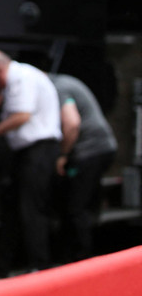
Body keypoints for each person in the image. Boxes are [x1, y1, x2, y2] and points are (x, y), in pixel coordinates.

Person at [0, 49, 61, 275]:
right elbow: (7, 94)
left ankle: (40, 266)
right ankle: (2, 265)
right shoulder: (20, 76)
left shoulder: (22, 78)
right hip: (28, 151)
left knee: (31, 208)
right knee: (13, 208)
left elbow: (22, 115)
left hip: (39, 150)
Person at [49, 73, 117, 262]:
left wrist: (63, 155)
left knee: (75, 207)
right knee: (84, 204)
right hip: (102, 148)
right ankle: (84, 256)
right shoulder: (65, 81)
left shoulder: (58, 87)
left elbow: (72, 123)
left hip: (90, 151)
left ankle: (81, 259)